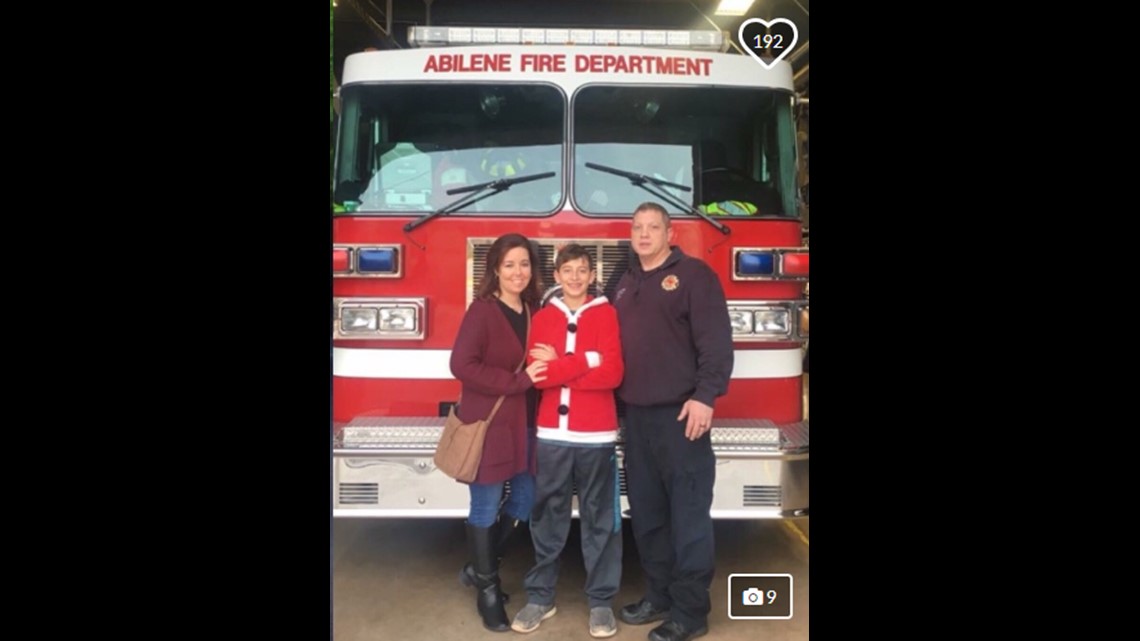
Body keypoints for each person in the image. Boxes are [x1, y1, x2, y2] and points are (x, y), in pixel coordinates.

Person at [612, 202, 734, 641]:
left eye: (653, 228)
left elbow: (716, 343)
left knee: (688, 518)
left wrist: (705, 397)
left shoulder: (694, 277)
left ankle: (690, 612)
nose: (644, 235)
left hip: (683, 416)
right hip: (637, 419)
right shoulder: (625, 284)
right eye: (637, 227)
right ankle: (659, 596)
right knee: (648, 516)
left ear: (670, 233)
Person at [511, 244, 625, 638]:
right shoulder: (542, 318)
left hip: (596, 435)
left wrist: (562, 363)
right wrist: (587, 359)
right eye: (567, 271)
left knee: (601, 521)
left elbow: (613, 374)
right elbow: (538, 375)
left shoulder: (607, 314)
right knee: (547, 517)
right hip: (552, 435)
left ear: (592, 276)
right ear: (556, 277)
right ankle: (541, 596)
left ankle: (600, 603)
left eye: (582, 271)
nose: (575, 278)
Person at [449, 233, 549, 632]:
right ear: (495, 269)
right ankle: (488, 591)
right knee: (486, 506)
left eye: (524, 264)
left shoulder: (532, 308)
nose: (518, 272)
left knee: (526, 498)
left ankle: (478, 568)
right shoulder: (482, 311)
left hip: (524, 424)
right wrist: (517, 381)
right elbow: (462, 364)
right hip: (488, 425)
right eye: (509, 264)